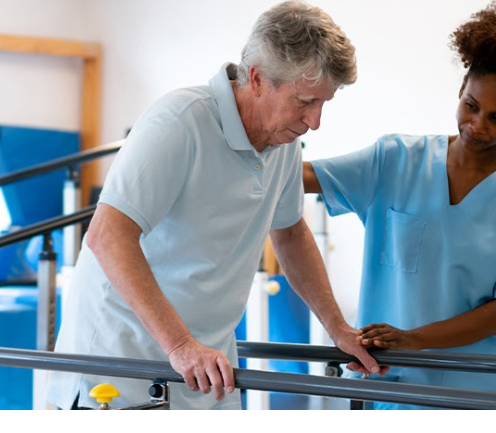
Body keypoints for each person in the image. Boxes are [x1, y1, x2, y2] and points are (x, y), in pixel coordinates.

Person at [47, 1, 382, 411]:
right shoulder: (180, 122)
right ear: (257, 79)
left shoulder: (283, 143)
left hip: (208, 365)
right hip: (123, 366)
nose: (315, 121)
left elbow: (291, 234)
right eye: (305, 101)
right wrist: (181, 345)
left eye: (323, 104)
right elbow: (107, 235)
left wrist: (338, 328)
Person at [303, 1, 496, 410]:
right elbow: (301, 178)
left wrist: (414, 339)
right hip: (391, 380)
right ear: (461, 89)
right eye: (471, 105)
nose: (478, 125)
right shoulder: (395, 159)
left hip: (478, 385)